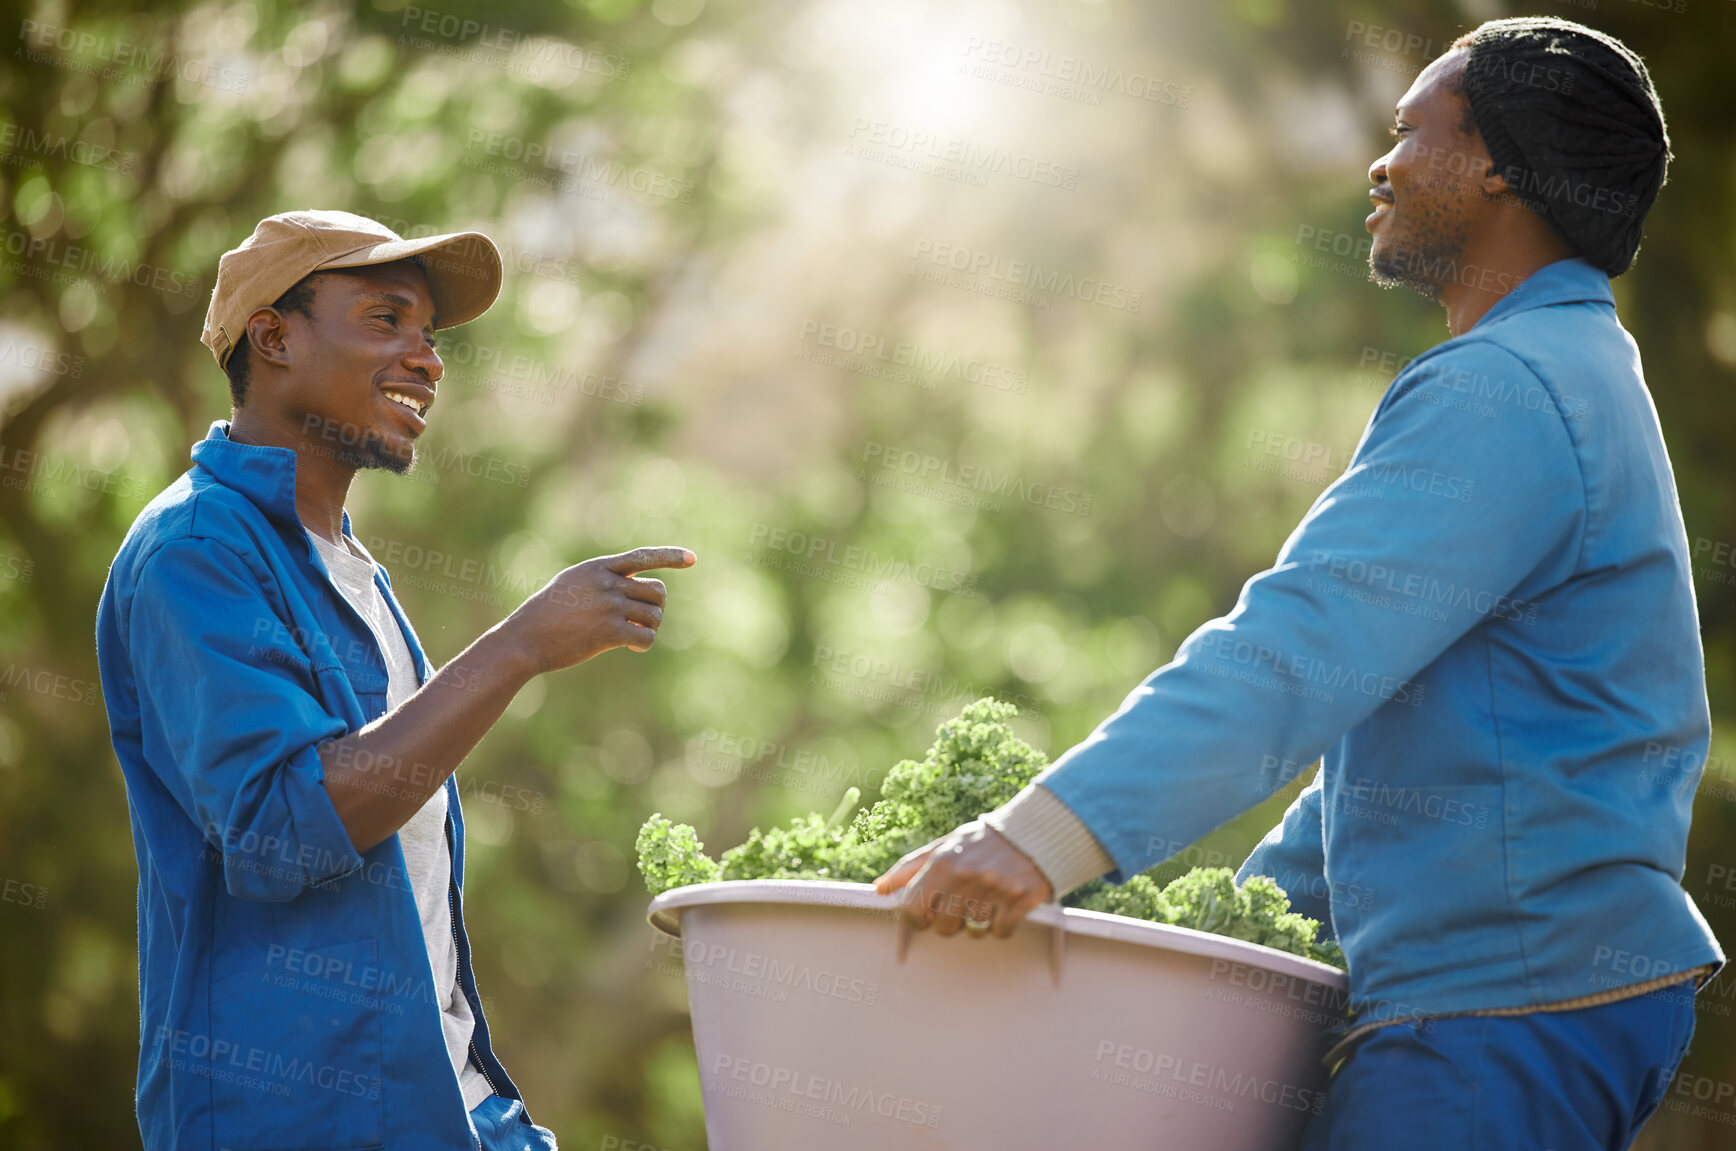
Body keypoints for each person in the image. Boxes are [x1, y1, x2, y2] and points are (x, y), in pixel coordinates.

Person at [875, 18, 1723, 1150]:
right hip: (1511, 992)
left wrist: (1040, 837)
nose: (1379, 163)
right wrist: (1251, 927)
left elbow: (1292, 649)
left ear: (1494, 168)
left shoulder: (1507, 386)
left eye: (1409, 130)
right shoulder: (1559, 368)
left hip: (1499, 999)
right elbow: (1388, 742)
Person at [95, 210, 695, 1151]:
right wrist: (520, 647)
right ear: (275, 336)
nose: (427, 357)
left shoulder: (353, 571)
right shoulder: (196, 549)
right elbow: (282, 831)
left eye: (429, 334)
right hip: (295, 1122)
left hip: (451, 1109)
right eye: (385, 319)